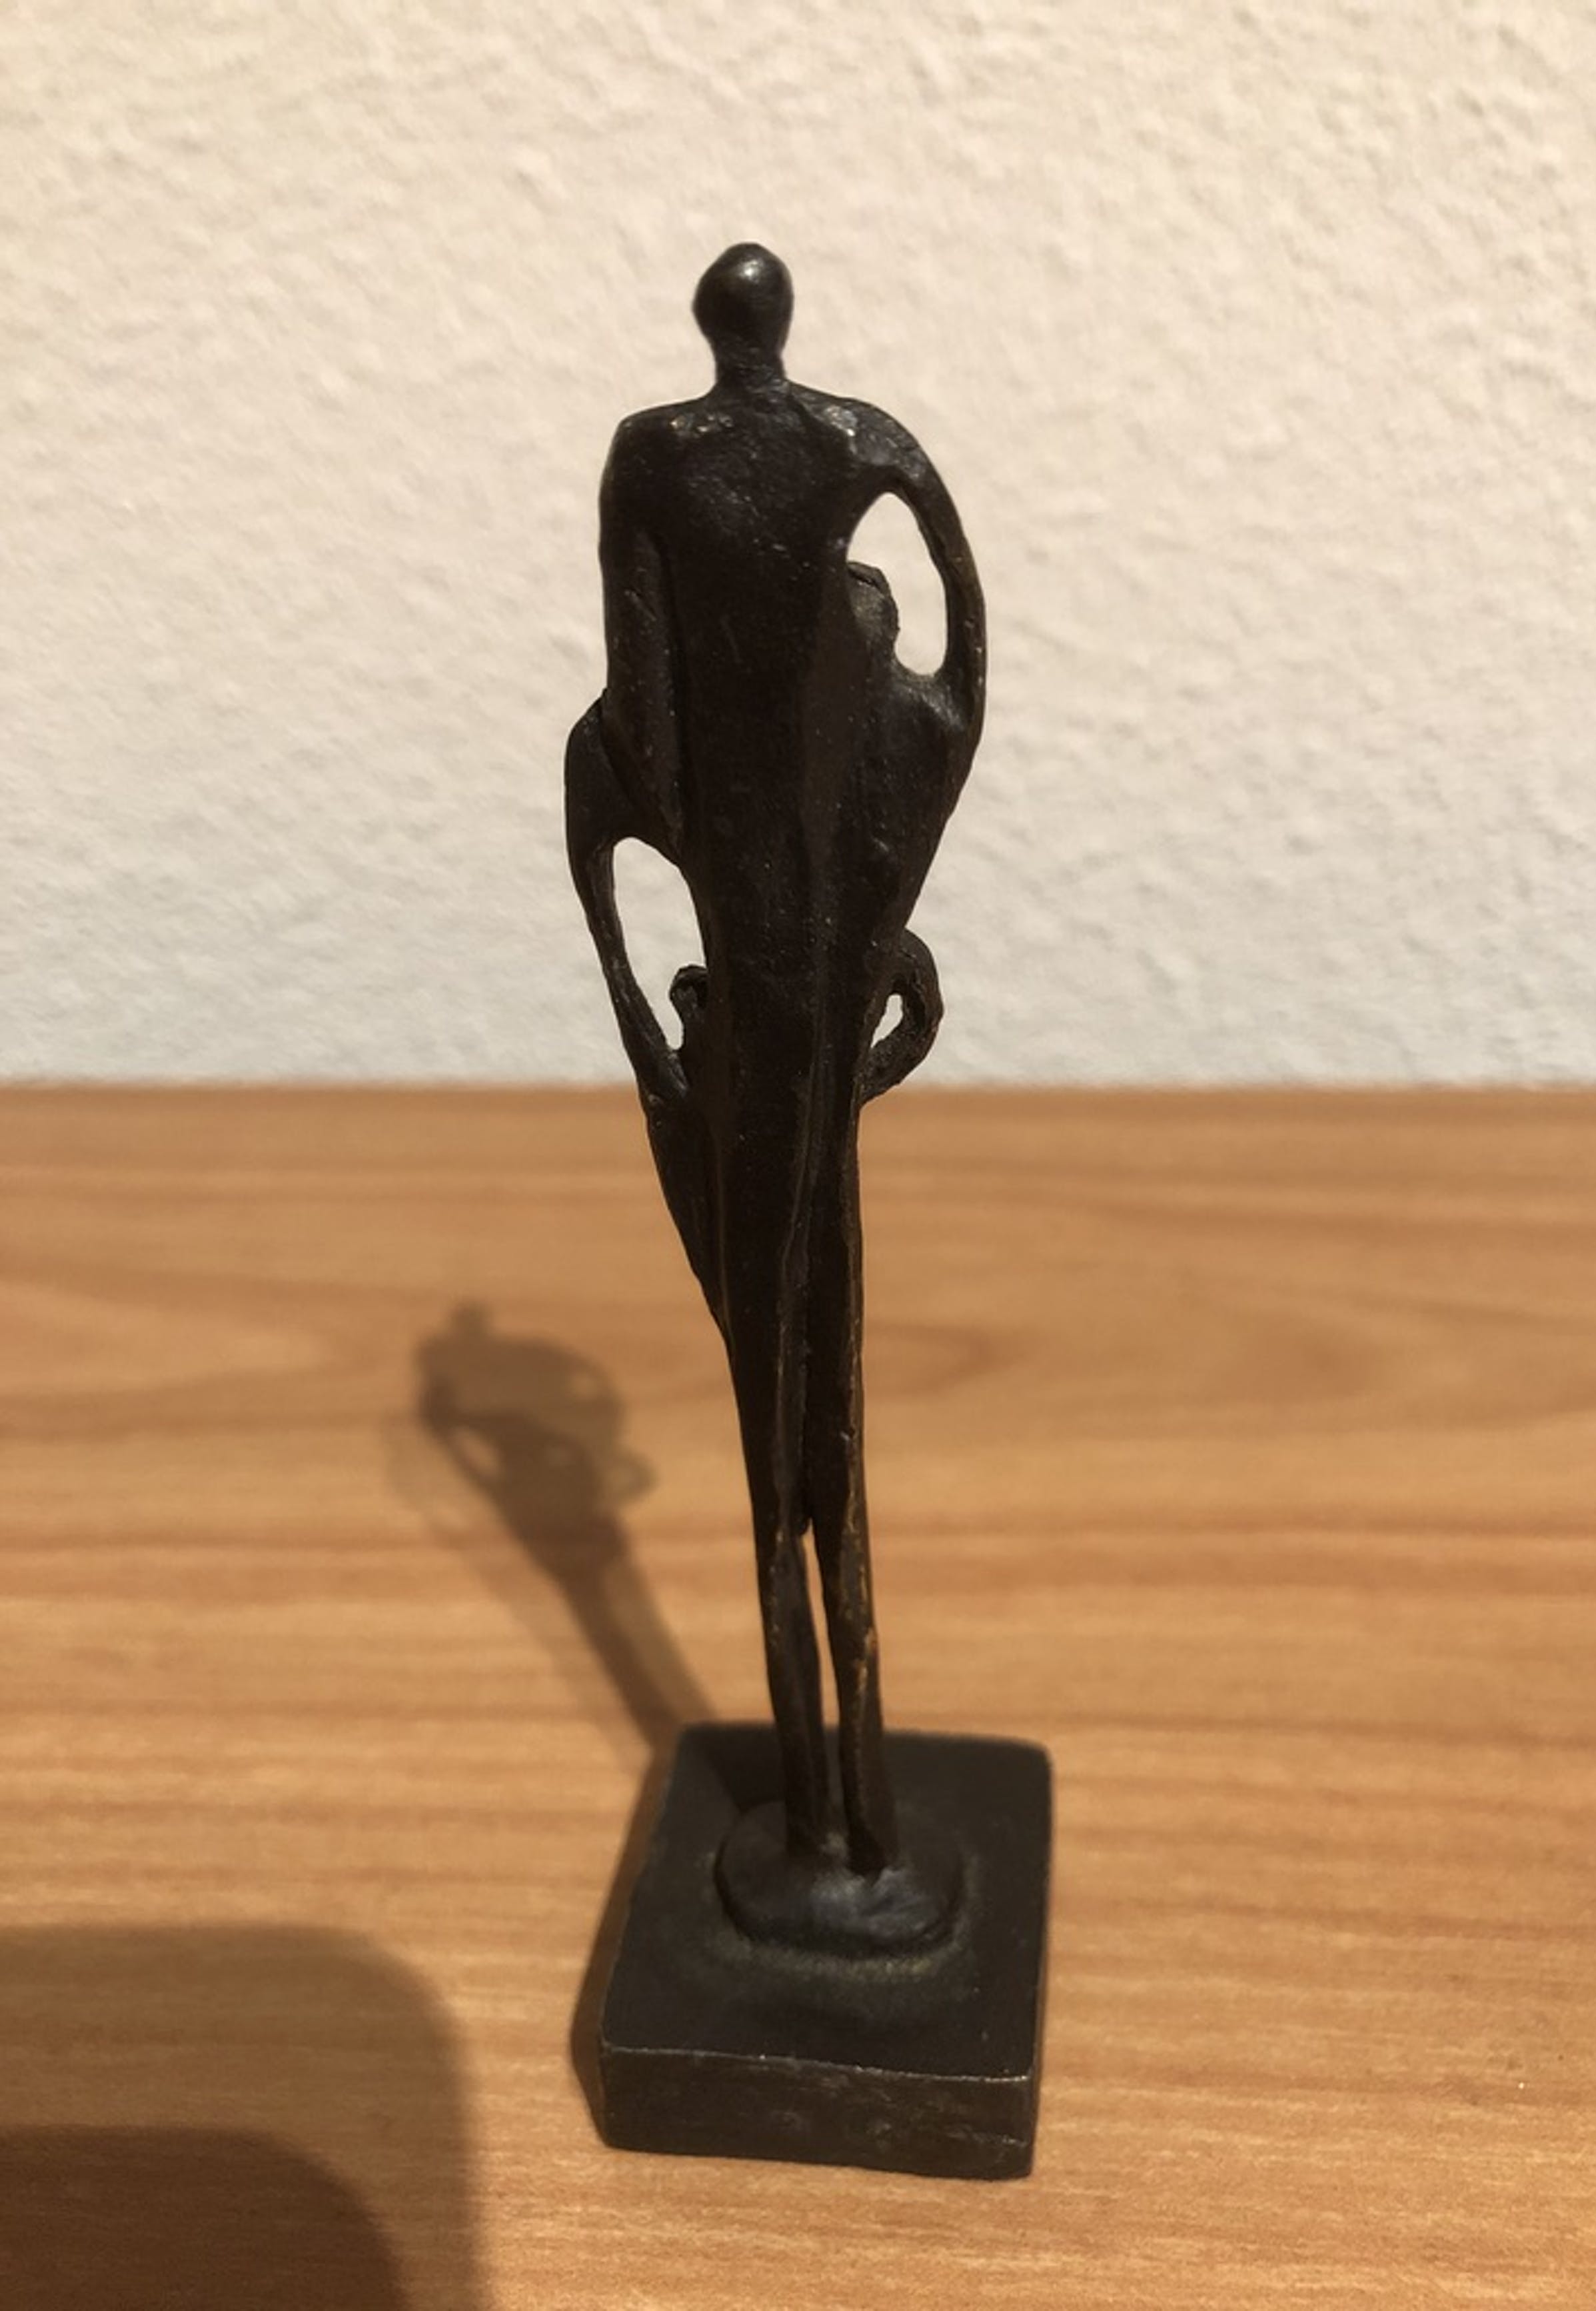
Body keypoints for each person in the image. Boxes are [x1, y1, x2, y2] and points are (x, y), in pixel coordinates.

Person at [566, 245, 986, 1913]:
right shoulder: (857, 441)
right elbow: (963, 657)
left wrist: (728, 868)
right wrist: (880, 870)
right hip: (802, 931)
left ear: (711, 326)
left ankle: (842, 1810)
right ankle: (833, 1815)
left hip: (762, 936)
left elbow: (640, 709)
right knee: (806, 1357)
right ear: (779, 322)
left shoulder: (653, 458)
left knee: (789, 1360)